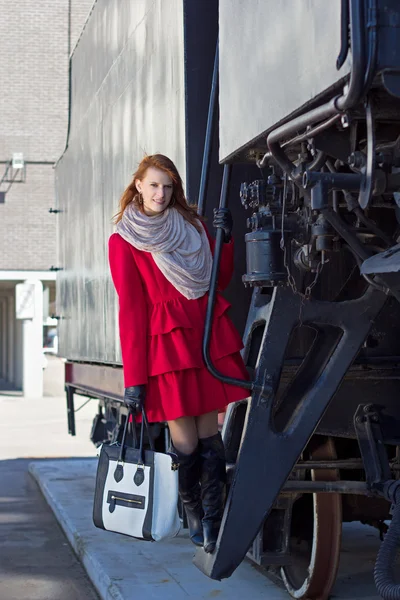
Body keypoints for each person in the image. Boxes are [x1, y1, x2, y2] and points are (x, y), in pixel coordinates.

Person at [108, 154, 249, 553]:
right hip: (165, 347)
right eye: (153, 185)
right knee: (184, 442)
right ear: (138, 185)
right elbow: (131, 310)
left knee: (210, 436)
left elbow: (216, 281)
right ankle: (192, 514)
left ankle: (212, 518)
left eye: (168, 186)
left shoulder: (193, 226)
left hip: (202, 333)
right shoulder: (124, 241)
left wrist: (225, 239)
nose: (161, 193)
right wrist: (134, 380)